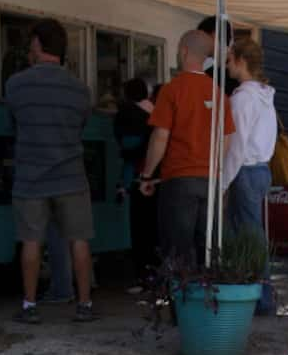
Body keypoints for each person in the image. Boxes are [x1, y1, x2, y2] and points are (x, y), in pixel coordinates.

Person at [5, 18, 95, 324]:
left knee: (31, 241)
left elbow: (13, 124)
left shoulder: (16, 84)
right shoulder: (80, 90)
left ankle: (30, 306)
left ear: (36, 45)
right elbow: (81, 127)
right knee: (78, 239)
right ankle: (84, 305)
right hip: (71, 175)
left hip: (30, 177)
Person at [139, 30, 235, 269]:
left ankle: (180, 303)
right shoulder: (219, 93)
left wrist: (147, 174)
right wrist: (216, 171)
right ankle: (205, 302)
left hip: (179, 179)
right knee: (208, 251)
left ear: (183, 52)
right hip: (210, 180)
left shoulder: (172, 89)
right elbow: (227, 138)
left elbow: (161, 136)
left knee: (177, 250)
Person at [223, 37, 277, 236]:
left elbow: (236, 147)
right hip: (262, 169)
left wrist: (223, 182)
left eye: (229, 60)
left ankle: (257, 269)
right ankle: (256, 268)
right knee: (250, 230)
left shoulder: (243, 98)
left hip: (245, 170)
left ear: (241, 61)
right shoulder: (265, 96)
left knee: (246, 233)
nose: (226, 65)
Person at [114, 77, 157, 288]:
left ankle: (143, 276)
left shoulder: (125, 114)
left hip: (139, 177)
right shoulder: (158, 112)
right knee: (156, 229)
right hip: (160, 178)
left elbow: (127, 148)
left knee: (140, 230)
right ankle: (158, 275)